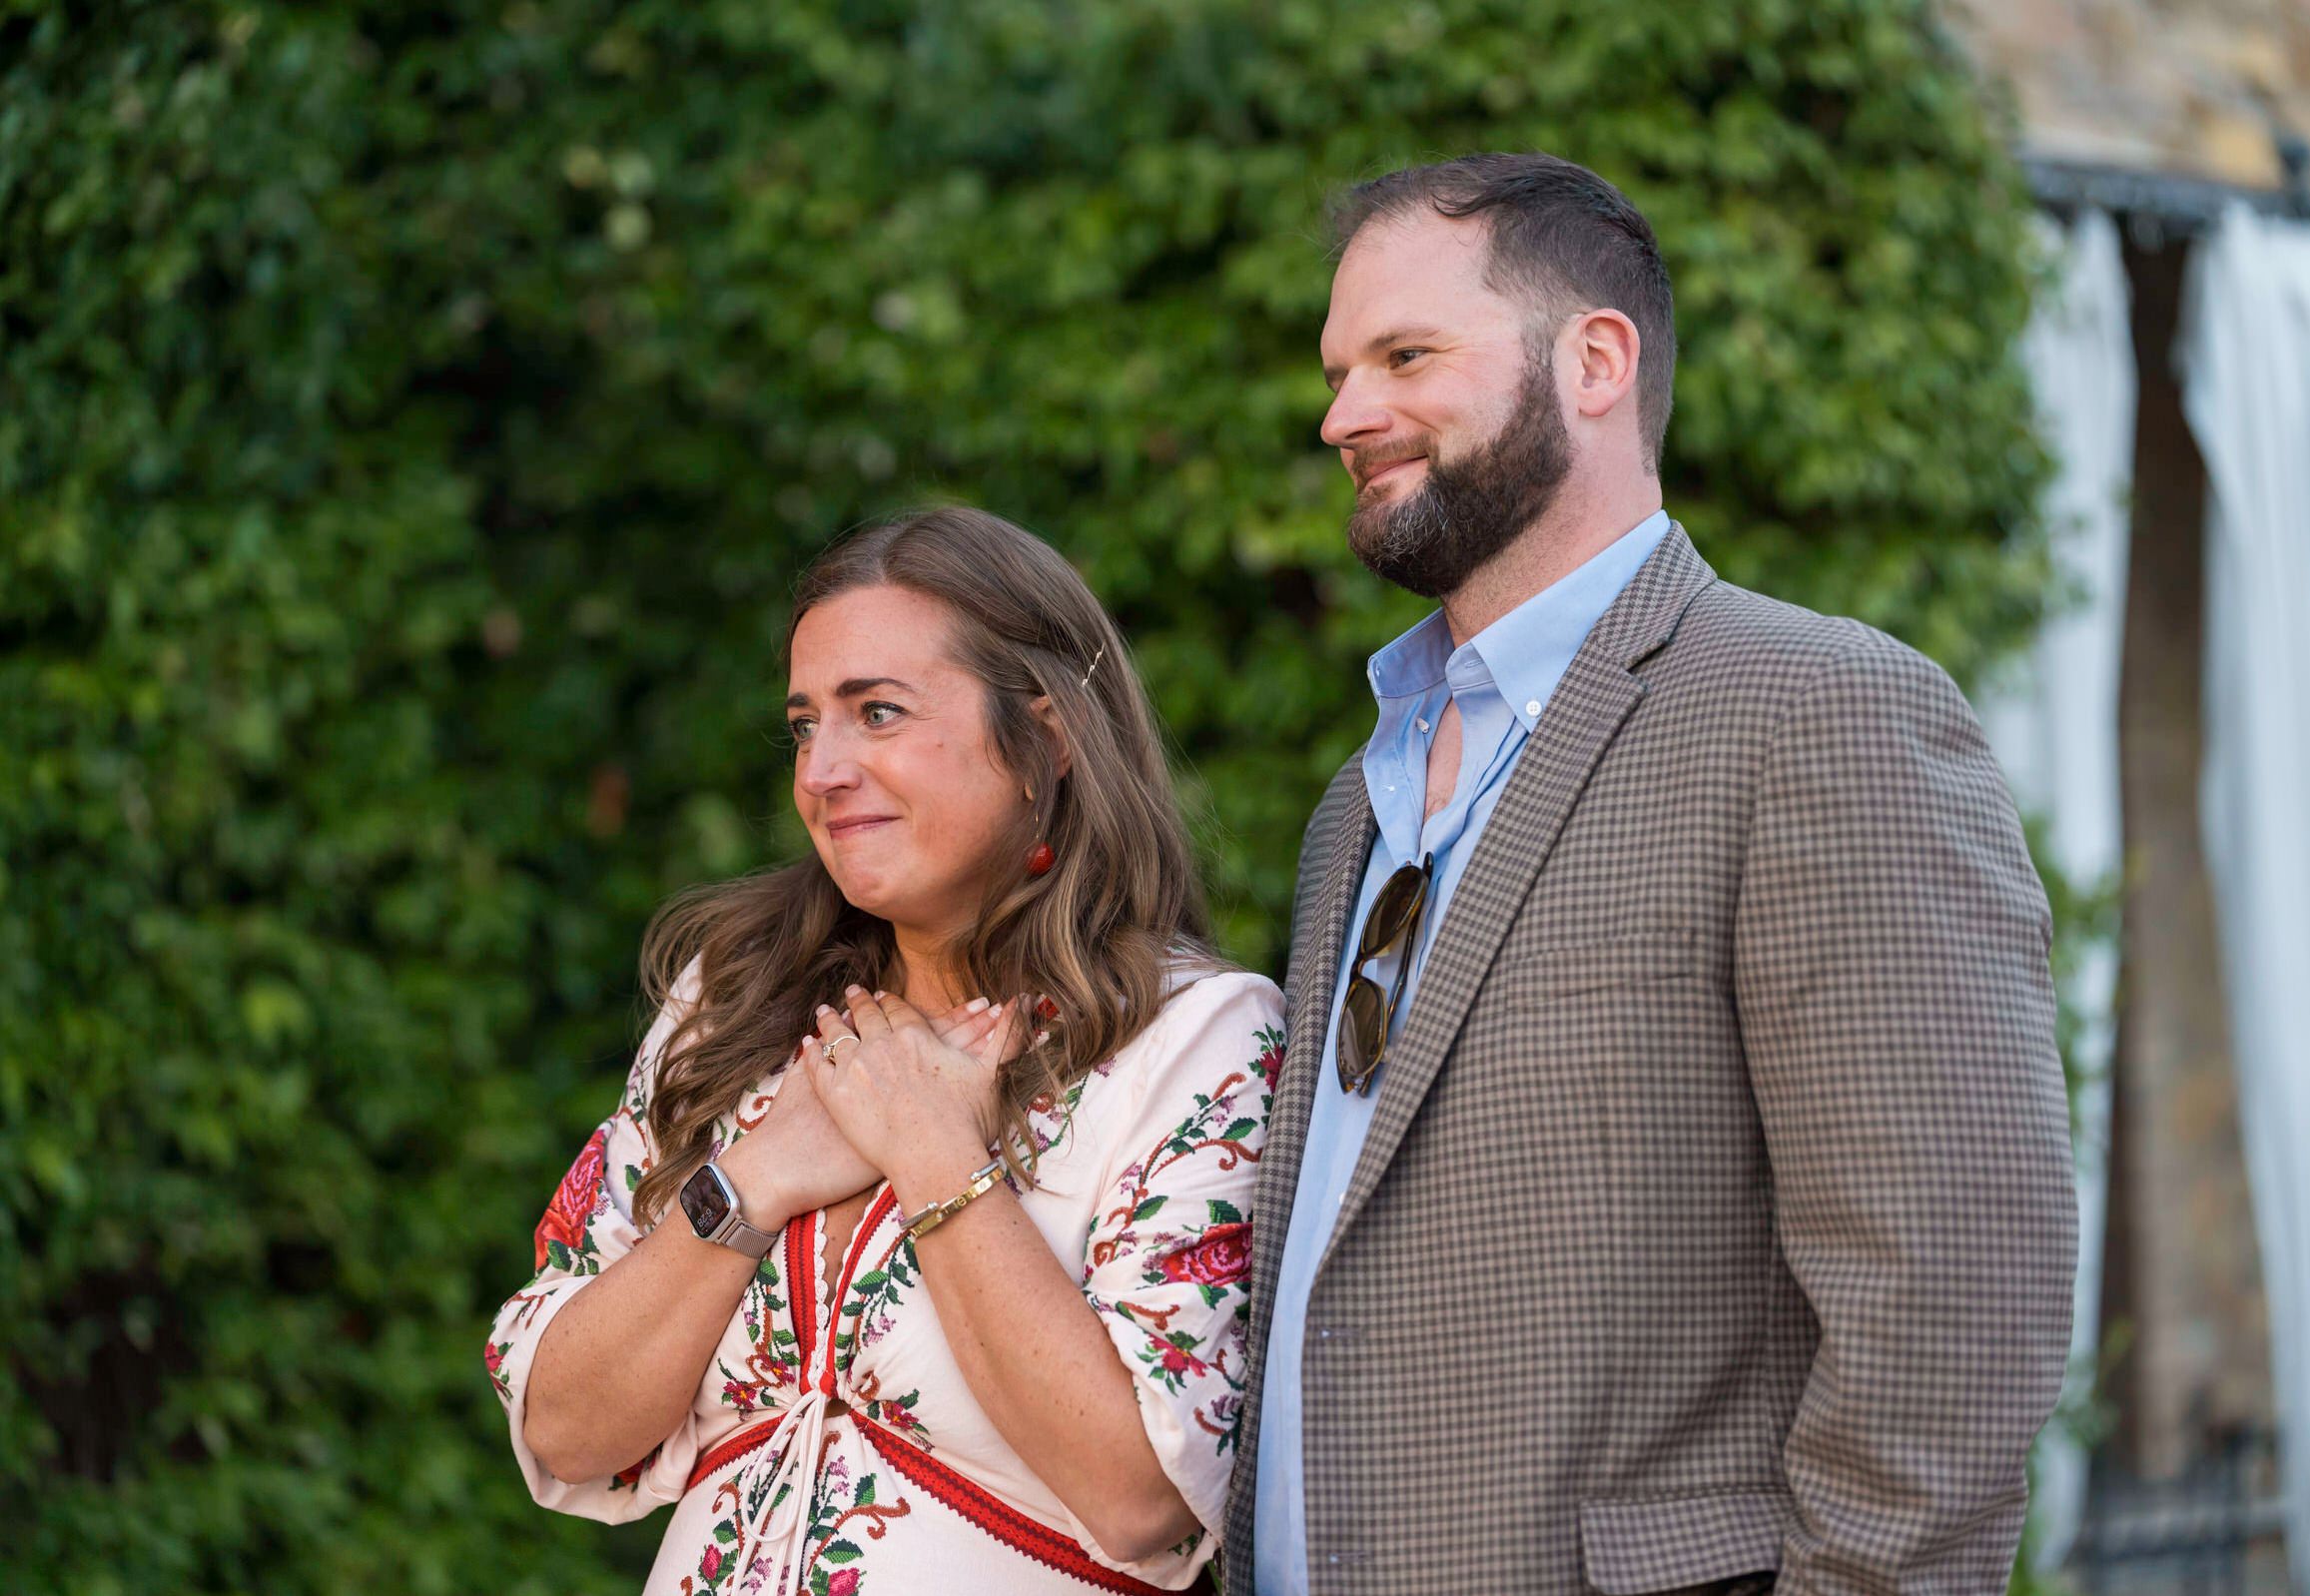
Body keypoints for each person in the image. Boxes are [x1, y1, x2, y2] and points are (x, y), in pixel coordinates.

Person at [1227, 154, 2078, 1595]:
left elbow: (1950, 1300)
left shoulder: (1820, 714)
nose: (1343, 415)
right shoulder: (1352, 806)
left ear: (1596, 359)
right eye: (1338, 369)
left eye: (1405, 355)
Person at [486, 507, 1285, 1596]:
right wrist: (757, 1174)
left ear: (1045, 738)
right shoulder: (733, 1006)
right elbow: (565, 1426)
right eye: (806, 723)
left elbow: (1143, 1494)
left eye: (878, 713)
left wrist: (933, 1152)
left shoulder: (1193, 1037)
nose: (823, 768)